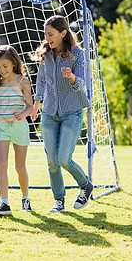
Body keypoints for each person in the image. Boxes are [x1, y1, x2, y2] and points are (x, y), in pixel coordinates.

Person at [30, 15, 93, 213]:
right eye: (45, 34)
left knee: (64, 159)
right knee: (52, 161)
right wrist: (35, 104)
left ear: (63, 33)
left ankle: (85, 185)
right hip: (49, 112)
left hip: (71, 112)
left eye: (51, 34)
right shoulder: (46, 54)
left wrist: (73, 78)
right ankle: (59, 200)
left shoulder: (78, 54)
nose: (47, 38)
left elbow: (82, 83)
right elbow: (41, 80)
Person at [0, 45, 33, 216]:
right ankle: (4, 203)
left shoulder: (23, 81)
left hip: (19, 128)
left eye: (5, 66)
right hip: (1, 127)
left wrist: (23, 114)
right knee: (1, 164)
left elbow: (30, 106)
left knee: (19, 167)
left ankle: (25, 198)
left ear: (14, 63)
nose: (1, 70)